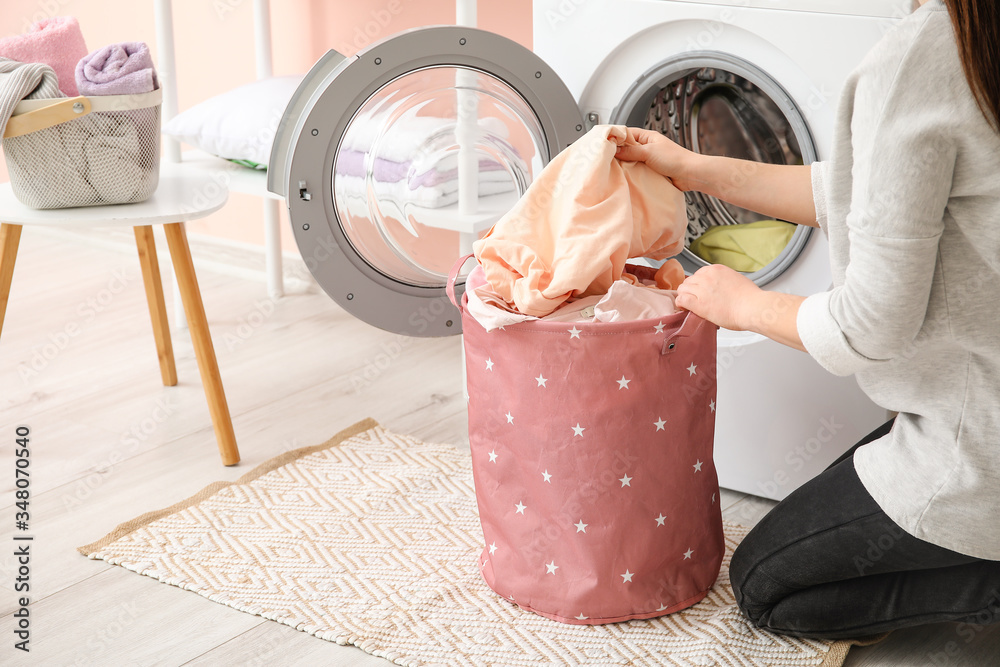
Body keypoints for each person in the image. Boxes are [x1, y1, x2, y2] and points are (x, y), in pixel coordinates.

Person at [616, 0, 1000, 640]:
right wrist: (693, 170)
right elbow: (864, 189)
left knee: (765, 585)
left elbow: (869, 327)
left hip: (983, 441)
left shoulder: (927, 51)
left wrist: (738, 303)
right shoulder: (973, 41)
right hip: (980, 405)